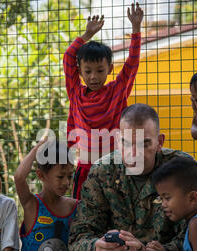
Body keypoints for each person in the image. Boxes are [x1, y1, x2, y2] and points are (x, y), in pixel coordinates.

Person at [54, 103, 197, 251]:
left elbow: (194, 238)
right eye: (126, 143)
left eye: (144, 144)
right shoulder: (102, 172)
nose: (134, 153)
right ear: (117, 140)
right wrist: (96, 247)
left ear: (159, 142)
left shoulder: (181, 170)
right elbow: (78, 237)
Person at [64, 2, 144, 199]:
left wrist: (136, 29)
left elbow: (132, 63)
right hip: (85, 167)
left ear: (109, 69)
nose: (93, 77)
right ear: (80, 72)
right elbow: (68, 56)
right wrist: (86, 35)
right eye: (87, 71)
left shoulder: (117, 90)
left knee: (115, 213)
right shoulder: (75, 92)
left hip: (114, 167)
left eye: (100, 71)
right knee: (81, 211)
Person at [10, 138, 78, 251]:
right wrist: (36, 150)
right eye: (60, 177)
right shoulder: (32, 204)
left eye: (69, 176)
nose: (66, 182)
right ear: (41, 175)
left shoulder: (74, 206)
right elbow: (19, 177)